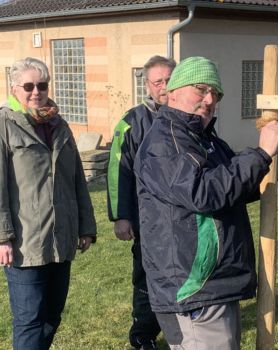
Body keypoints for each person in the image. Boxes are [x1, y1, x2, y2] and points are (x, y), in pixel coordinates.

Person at [134, 56, 278, 349]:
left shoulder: (205, 139)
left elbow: (242, 186)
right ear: (174, 91)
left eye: (215, 93)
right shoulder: (164, 143)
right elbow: (203, 192)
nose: (209, 99)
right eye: (201, 89)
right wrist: (261, 153)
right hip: (194, 288)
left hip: (215, 284)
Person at [0, 57, 97, 350]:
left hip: (60, 240)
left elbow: (77, 179)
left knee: (52, 317)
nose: (36, 91)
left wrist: (86, 226)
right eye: (28, 85)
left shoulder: (59, 125)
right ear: (15, 88)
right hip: (24, 244)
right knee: (29, 320)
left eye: (42, 85)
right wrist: (0, 238)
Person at [106, 55, 182, 349]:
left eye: (169, 79)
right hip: (147, 221)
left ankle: (182, 328)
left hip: (184, 216)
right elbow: (118, 171)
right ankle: (143, 335)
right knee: (147, 277)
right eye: (158, 81)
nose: (164, 86)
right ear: (147, 85)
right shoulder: (132, 121)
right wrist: (121, 216)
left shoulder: (190, 115)